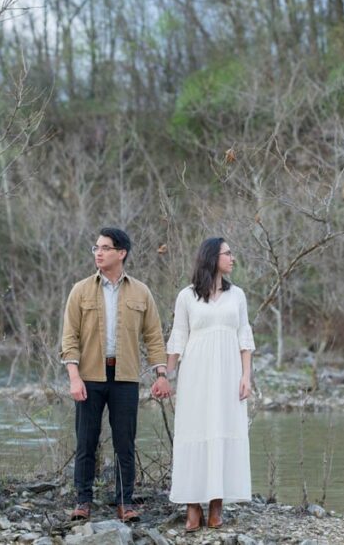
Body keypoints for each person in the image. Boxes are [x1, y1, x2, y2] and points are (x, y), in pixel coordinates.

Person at [59, 227, 172, 523]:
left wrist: (161, 374)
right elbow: (69, 337)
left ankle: (125, 503)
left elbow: (154, 337)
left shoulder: (141, 291)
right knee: (86, 442)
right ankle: (83, 501)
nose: (98, 252)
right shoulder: (80, 290)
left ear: (121, 253)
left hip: (125, 377)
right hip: (89, 376)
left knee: (125, 442)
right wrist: (74, 376)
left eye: (105, 248)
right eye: (96, 247)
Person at [164, 237, 255, 532]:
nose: (233, 258)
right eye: (228, 253)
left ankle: (217, 505)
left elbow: (244, 337)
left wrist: (246, 376)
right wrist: (166, 375)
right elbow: (178, 338)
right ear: (212, 257)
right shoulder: (187, 296)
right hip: (196, 375)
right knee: (195, 431)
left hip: (228, 374)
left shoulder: (237, 295)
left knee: (223, 429)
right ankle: (193, 506)